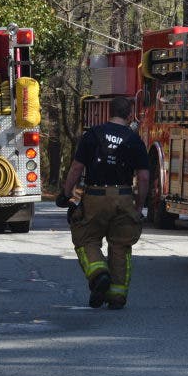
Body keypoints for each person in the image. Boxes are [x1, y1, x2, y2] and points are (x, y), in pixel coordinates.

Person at [57, 96, 149, 309]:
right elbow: (143, 178)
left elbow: (76, 168)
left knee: (86, 238)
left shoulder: (93, 135)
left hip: (95, 197)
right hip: (124, 196)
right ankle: (116, 296)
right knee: (121, 245)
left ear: (109, 112)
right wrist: (138, 206)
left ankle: (99, 275)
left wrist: (66, 193)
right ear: (129, 115)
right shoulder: (135, 140)